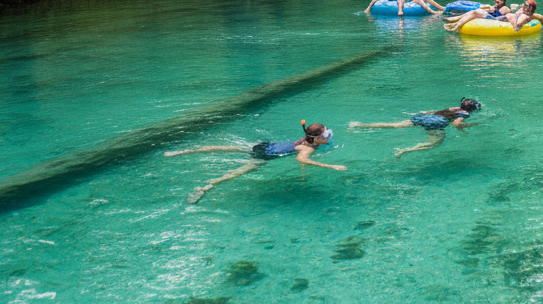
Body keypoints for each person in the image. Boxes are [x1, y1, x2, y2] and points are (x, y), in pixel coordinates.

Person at [165, 121, 344, 204]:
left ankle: (183, 152)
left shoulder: (306, 139)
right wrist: (331, 166)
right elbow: (301, 159)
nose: (329, 136)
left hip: (265, 145)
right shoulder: (308, 148)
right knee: (239, 172)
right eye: (326, 135)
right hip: (265, 155)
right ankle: (207, 186)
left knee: (229, 147)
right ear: (318, 138)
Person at [348, 98, 482, 158]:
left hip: (423, 117)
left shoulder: (453, 108)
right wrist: (464, 129)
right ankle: (405, 150)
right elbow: (456, 123)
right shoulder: (465, 114)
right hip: (436, 123)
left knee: (394, 125)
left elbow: (432, 112)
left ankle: (359, 125)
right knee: (434, 144)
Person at [444, 0, 511, 32]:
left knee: (475, 13)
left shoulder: (505, 8)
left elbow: (497, 14)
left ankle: (455, 27)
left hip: (494, 20)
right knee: (474, 12)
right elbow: (491, 10)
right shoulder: (495, 6)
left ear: (503, 1)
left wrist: (491, 8)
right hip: (489, 17)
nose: (497, 0)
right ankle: (455, 22)